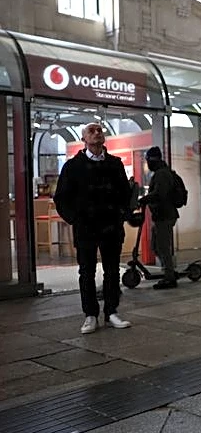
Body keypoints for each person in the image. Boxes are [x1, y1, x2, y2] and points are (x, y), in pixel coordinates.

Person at [53, 123, 132, 334]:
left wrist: (122, 215)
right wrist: (75, 219)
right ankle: (90, 315)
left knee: (112, 270)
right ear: (84, 139)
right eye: (92, 131)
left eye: (100, 130)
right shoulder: (73, 166)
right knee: (86, 272)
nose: (97, 133)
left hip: (111, 226)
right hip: (86, 227)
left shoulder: (115, 164)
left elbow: (125, 193)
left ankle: (112, 311)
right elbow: (61, 198)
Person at [138, 146, 179, 289]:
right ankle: (168, 270)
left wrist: (144, 199)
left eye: (148, 160)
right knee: (156, 246)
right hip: (162, 215)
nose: (147, 163)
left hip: (165, 215)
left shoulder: (161, 174)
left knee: (162, 246)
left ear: (152, 160)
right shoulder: (161, 172)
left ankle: (169, 277)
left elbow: (159, 194)